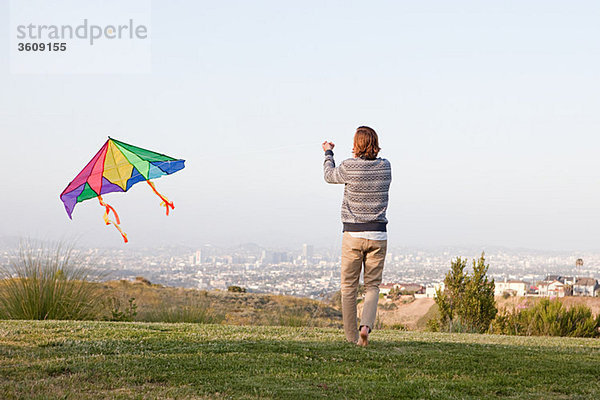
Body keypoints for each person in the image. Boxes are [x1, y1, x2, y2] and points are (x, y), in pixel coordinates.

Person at [322, 126, 392, 346]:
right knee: (372, 286)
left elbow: (329, 176)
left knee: (348, 287)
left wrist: (328, 153)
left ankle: (352, 337)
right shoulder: (385, 166)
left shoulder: (350, 166)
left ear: (356, 144)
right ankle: (366, 327)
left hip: (352, 233)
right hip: (378, 234)